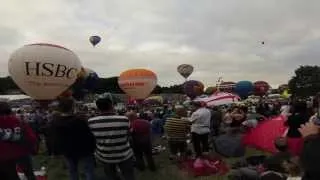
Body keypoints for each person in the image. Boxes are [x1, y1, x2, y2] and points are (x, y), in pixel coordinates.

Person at [88, 95, 135, 180]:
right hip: (124, 154)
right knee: (129, 176)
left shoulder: (91, 122)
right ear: (112, 106)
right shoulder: (124, 119)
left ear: (98, 108)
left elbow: (93, 138)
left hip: (105, 156)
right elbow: (128, 135)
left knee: (111, 176)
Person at [51, 98, 96, 180]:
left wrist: (57, 151)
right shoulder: (79, 120)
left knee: (72, 171)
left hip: (68, 151)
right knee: (88, 170)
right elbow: (89, 135)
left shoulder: (55, 122)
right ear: (72, 108)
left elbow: (55, 138)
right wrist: (92, 147)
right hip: (84, 149)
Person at [0, 101, 37, 180]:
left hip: (5, 158)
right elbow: (32, 137)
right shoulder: (18, 121)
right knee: (30, 175)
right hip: (21, 152)